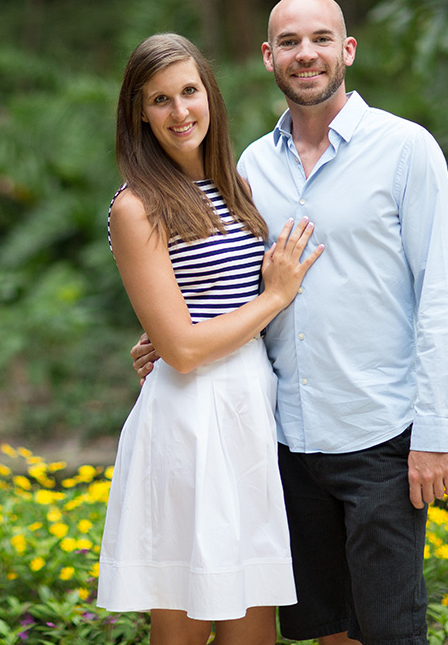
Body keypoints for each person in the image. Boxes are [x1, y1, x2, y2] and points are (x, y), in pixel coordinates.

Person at [130, 0, 448, 645]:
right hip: (281, 440)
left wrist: (433, 430)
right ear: (268, 57)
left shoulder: (406, 151)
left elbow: (440, 299)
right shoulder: (250, 167)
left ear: (347, 50)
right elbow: (230, 282)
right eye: (289, 42)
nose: (305, 53)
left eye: (320, 38)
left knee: (391, 630)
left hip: (381, 436)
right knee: (325, 630)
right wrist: (167, 338)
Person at [97, 33, 324, 645]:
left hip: (252, 411)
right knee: (186, 627)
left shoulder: (239, 181)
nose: (180, 112)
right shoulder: (137, 206)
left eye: (190, 92)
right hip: (191, 422)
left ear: (210, 95)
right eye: (160, 100)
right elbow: (184, 348)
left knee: (254, 631)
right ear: (138, 113)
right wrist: (275, 296)